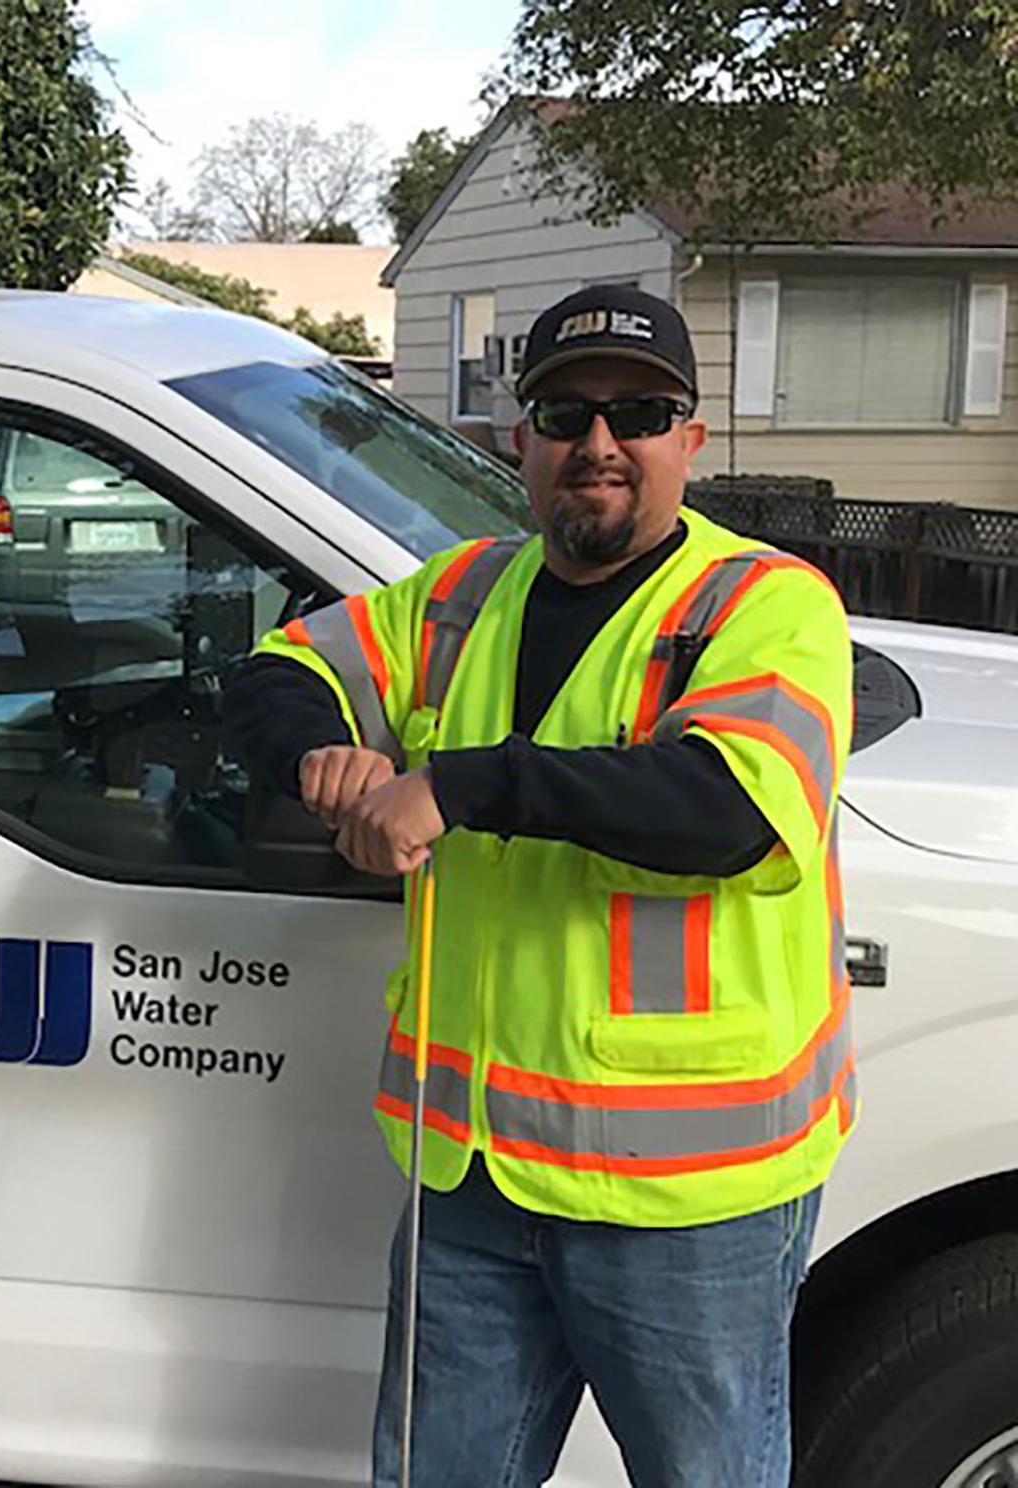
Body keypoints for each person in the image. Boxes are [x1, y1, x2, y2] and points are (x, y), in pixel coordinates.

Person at [224, 285, 854, 1487]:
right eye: (565, 414)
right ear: (521, 440)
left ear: (690, 439)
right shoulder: (461, 595)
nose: (599, 445)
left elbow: (723, 811)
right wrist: (322, 759)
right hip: (471, 1175)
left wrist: (459, 784)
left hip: (688, 1202)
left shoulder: (763, 605)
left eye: (638, 412)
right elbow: (275, 669)